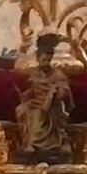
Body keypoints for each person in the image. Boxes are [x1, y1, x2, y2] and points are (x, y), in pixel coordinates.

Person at [15, 34, 74, 163]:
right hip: (36, 102)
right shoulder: (35, 73)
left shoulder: (58, 75)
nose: (45, 63)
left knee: (38, 114)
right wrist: (26, 94)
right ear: (38, 59)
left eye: (47, 60)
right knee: (22, 109)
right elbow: (33, 88)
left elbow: (65, 92)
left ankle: (33, 143)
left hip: (52, 106)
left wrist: (56, 93)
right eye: (43, 60)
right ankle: (26, 141)